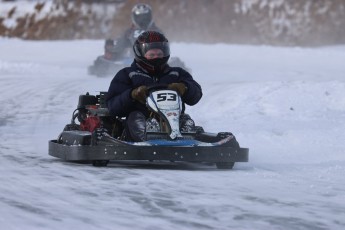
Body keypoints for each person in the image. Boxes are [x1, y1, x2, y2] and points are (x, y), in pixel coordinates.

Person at [106, 31, 202, 141]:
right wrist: (131, 95)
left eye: (159, 54)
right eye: (152, 55)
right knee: (136, 118)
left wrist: (185, 88)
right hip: (142, 118)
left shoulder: (176, 73)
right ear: (141, 54)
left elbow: (196, 95)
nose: (156, 57)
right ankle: (148, 138)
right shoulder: (127, 74)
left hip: (174, 117)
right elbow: (113, 107)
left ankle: (185, 137)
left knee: (184, 119)